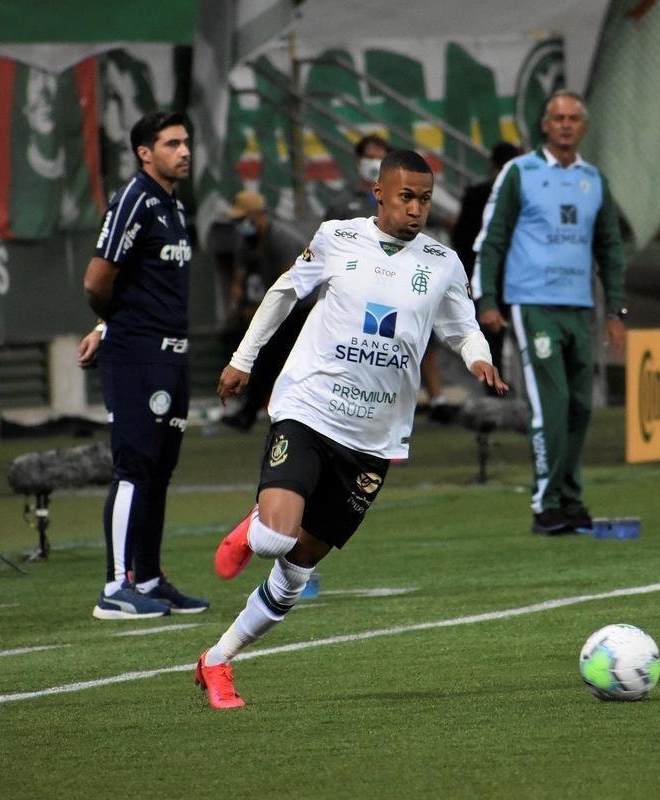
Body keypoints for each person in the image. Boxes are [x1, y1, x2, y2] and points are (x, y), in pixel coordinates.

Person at [192, 149, 508, 709]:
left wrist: (479, 357)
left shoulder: (442, 263)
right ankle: (252, 526)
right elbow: (284, 291)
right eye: (406, 197)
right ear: (378, 194)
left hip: (373, 440)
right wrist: (244, 358)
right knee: (272, 539)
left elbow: (462, 327)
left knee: (294, 574)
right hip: (311, 408)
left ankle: (216, 662)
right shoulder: (337, 238)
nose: (416, 209)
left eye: (425, 199)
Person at [472, 90, 627, 536]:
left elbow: (610, 248)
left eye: (573, 118)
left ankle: (570, 500)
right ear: (543, 125)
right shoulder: (519, 173)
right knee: (550, 405)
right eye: (557, 117)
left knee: (581, 408)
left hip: (580, 306)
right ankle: (545, 505)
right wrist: (487, 300)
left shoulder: (594, 180)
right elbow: (491, 239)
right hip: (533, 303)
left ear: (583, 127)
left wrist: (616, 309)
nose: (564, 124)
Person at [76, 110, 209, 619]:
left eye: (186, 141)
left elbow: (140, 285)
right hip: (138, 354)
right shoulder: (134, 199)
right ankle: (114, 587)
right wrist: (113, 327)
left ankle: (149, 579)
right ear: (145, 153)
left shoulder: (172, 206)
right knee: (133, 467)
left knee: (158, 469)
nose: (184, 151)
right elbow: (97, 279)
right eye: (172, 143)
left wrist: (106, 325)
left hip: (170, 353)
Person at [218, 190, 311, 432]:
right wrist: (235, 310)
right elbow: (239, 279)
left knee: (285, 361)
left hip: (307, 306)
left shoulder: (281, 238)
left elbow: (289, 284)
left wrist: (258, 312)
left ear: (258, 216)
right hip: (284, 307)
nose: (239, 225)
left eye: (243, 219)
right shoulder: (246, 241)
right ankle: (248, 414)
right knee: (268, 360)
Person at [451, 141, 521, 389]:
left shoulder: (478, 194)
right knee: (513, 337)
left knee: (492, 338)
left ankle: (495, 389)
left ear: (492, 165)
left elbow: (460, 238)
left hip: (487, 277)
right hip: (515, 277)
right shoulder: (519, 195)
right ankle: (514, 391)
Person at [323, 133, 391, 222]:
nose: (375, 163)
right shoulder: (341, 202)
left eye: (380, 158)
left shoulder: (395, 200)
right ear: (358, 160)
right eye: (370, 157)